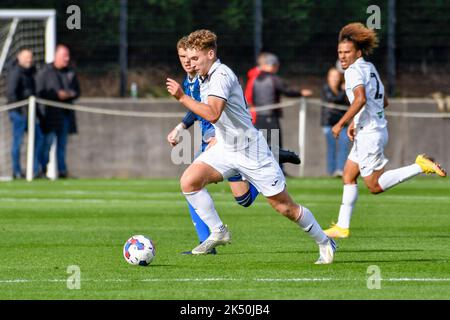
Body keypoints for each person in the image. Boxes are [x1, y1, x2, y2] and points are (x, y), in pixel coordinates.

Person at [166, 29, 336, 264]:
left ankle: (325, 241)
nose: (191, 64)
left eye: (195, 59)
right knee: (189, 182)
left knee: (285, 208)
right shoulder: (204, 77)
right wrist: (187, 127)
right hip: (225, 148)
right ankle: (218, 231)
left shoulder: (221, 75)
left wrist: (182, 97)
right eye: (188, 59)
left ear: (211, 54)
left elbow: (214, 113)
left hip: (250, 151)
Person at [324, 23, 447, 239]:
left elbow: (361, 98)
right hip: (371, 129)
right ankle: (342, 227)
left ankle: (419, 166)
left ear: (358, 52)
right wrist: (356, 122)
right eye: (340, 53)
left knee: (374, 186)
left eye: (347, 52)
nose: (342, 57)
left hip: (370, 134)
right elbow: (384, 101)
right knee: (349, 175)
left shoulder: (353, 72)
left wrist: (342, 122)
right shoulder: (369, 67)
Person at [167, 36, 260, 254]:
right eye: (183, 57)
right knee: (244, 199)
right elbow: (195, 109)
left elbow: (215, 109)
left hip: (221, 135)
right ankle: (269, 160)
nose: (187, 62)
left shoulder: (211, 76)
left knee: (191, 183)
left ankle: (209, 241)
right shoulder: (191, 80)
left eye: (191, 57)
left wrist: (219, 136)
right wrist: (180, 128)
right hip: (212, 135)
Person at [252, 53, 310, 168]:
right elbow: (287, 90)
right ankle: (278, 169)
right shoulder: (273, 79)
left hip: (259, 117)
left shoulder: (256, 80)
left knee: (261, 146)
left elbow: (253, 98)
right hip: (271, 117)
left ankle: (262, 168)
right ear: (272, 65)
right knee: (275, 146)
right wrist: (301, 93)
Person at [36, 44, 80, 178]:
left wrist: (69, 94)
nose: (66, 59)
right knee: (47, 144)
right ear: (56, 56)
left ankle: (62, 171)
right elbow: (40, 92)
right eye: (63, 56)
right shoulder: (45, 72)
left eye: (67, 56)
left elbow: (77, 91)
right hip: (49, 116)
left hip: (65, 115)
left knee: (62, 145)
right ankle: (41, 170)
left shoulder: (70, 72)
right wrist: (56, 95)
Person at [6, 48, 43, 179]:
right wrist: (20, 110)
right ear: (19, 58)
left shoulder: (31, 73)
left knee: (39, 138)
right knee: (18, 141)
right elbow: (11, 93)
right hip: (19, 113)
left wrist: (38, 113)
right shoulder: (15, 72)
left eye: (30, 57)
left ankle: (34, 169)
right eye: (26, 57)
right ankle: (16, 171)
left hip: (30, 112)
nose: (29, 60)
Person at [320, 67, 351, 177]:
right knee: (331, 148)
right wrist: (343, 91)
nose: (334, 79)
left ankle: (340, 170)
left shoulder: (343, 90)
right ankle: (331, 171)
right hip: (329, 123)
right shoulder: (326, 89)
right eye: (332, 76)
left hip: (342, 124)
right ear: (328, 78)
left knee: (343, 145)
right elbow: (332, 99)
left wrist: (345, 90)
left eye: (336, 76)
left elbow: (348, 105)